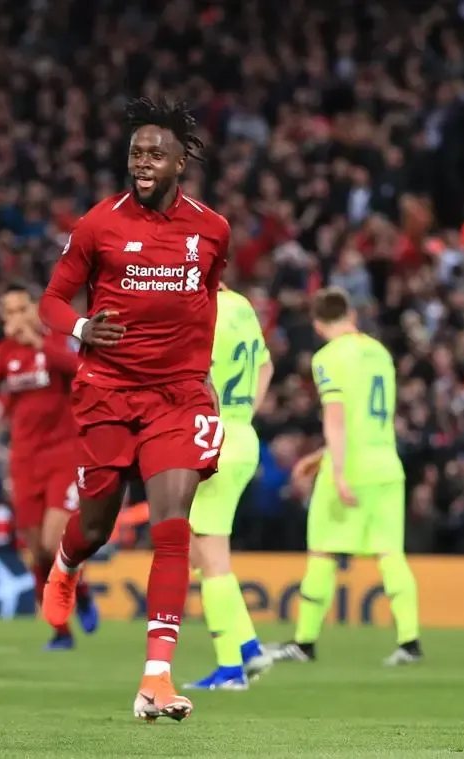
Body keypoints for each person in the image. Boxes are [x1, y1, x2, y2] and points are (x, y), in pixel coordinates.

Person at [38, 97, 230, 721]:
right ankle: (66, 566)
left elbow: (208, 295)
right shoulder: (99, 225)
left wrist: (200, 373)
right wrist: (81, 328)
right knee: (95, 526)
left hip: (178, 395)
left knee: (172, 524)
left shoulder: (212, 229)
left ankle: (157, 677)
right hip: (108, 391)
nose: (143, 163)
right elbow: (51, 303)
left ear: (181, 162)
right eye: (135, 154)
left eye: (155, 154)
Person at [266, 287, 422, 666]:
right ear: (350, 314)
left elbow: (336, 417)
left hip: (351, 468)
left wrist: (335, 470)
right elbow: (365, 418)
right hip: (386, 465)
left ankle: (305, 642)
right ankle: (409, 642)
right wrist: (321, 456)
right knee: (391, 555)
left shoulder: (328, 357)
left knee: (322, 551)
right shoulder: (380, 352)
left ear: (318, 324)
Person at [0, 282, 100, 651]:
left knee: (53, 540)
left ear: (34, 309)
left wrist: (39, 344)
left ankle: (82, 593)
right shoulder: (4, 354)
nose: (14, 318)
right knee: (36, 552)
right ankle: (60, 631)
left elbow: (80, 370)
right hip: (24, 460)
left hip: (63, 455)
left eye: (20, 309)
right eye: (7, 312)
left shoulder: (58, 340)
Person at [184, 284, 274, 690]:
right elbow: (267, 367)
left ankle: (230, 670)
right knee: (202, 553)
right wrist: (242, 416)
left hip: (212, 436)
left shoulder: (197, 307)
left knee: (210, 558)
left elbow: (195, 374)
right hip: (242, 434)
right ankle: (249, 648)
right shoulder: (242, 306)